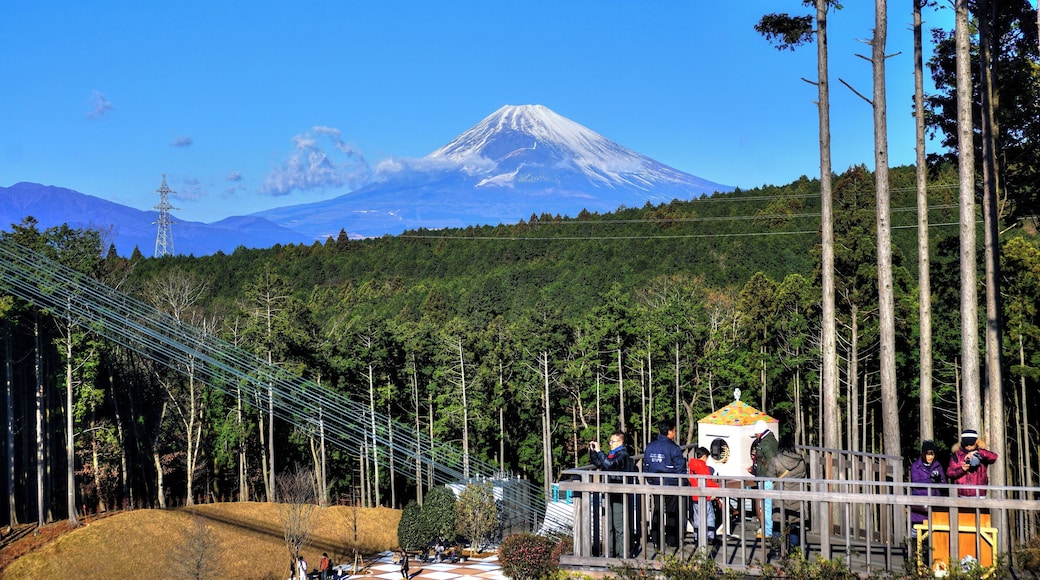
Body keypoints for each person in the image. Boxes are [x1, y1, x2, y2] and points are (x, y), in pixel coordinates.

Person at [590, 430, 636, 558]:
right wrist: (593, 451)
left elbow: (609, 465)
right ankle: (610, 552)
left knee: (619, 524)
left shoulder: (623, 454)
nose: (610, 443)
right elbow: (599, 463)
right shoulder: (612, 454)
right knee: (609, 524)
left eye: (612, 441)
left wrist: (600, 452)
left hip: (619, 492)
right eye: (610, 441)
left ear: (620, 442)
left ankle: (622, 553)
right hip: (610, 490)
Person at [642, 420, 686, 549]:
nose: (675, 433)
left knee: (657, 510)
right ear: (670, 432)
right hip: (671, 483)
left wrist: (650, 480)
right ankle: (672, 540)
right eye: (674, 431)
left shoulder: (650, 446)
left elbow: (646, 465)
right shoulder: (673, 448)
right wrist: (682, 482)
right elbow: (680, 467)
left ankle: (656, 539)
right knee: (672, 511)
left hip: (655, 483)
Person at [769, 434, 807, 551]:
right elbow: (804, 476)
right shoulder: (800, 461)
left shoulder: (776, 461)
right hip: (796, 497)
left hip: (780, 496)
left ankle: (776, 549)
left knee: (777, 522)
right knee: (794, 523)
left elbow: (770, 477)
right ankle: (794, 549)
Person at [748, 419, 778, 539]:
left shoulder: (765, 444)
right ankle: (768, 529)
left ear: (759, 433)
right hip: (767, 477)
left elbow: (770, 461)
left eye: (756, 434)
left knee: (766, 505)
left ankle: (768, 531)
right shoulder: (771, 439)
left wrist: (757, 469)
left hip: (766, 478)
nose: (755, 436)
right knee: (767, 504)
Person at [946, 429, 998, 497]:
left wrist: (978, 452)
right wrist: (962, 469)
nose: (969, 446)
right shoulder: (957, 455)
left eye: (971, 443)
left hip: (980, 494)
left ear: (976, 442)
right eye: (966, 444)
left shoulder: (982, 453)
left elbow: (994, 457)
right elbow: (949, 472)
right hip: (961, 495)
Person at [910, 440, 947, 528]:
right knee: (917, 531)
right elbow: (916, 483)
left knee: (935, 531)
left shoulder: (938, 466)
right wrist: (931, 480)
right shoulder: (915, 466)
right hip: (920, 503)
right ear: (923, 454)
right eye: (928, 454)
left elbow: (944, 484)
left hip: (935, 502)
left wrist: (939, 481)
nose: (930, 457)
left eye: (932, 454)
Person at [687, 446, 719, 544]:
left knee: (697, 517)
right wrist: (718, 488)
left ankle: (697, 537)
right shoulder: (703, 467)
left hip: (695, 495)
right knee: (709, 516)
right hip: (705, 496)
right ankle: (710, 537)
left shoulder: (691, 465)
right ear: (704, 456)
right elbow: (707, 482)